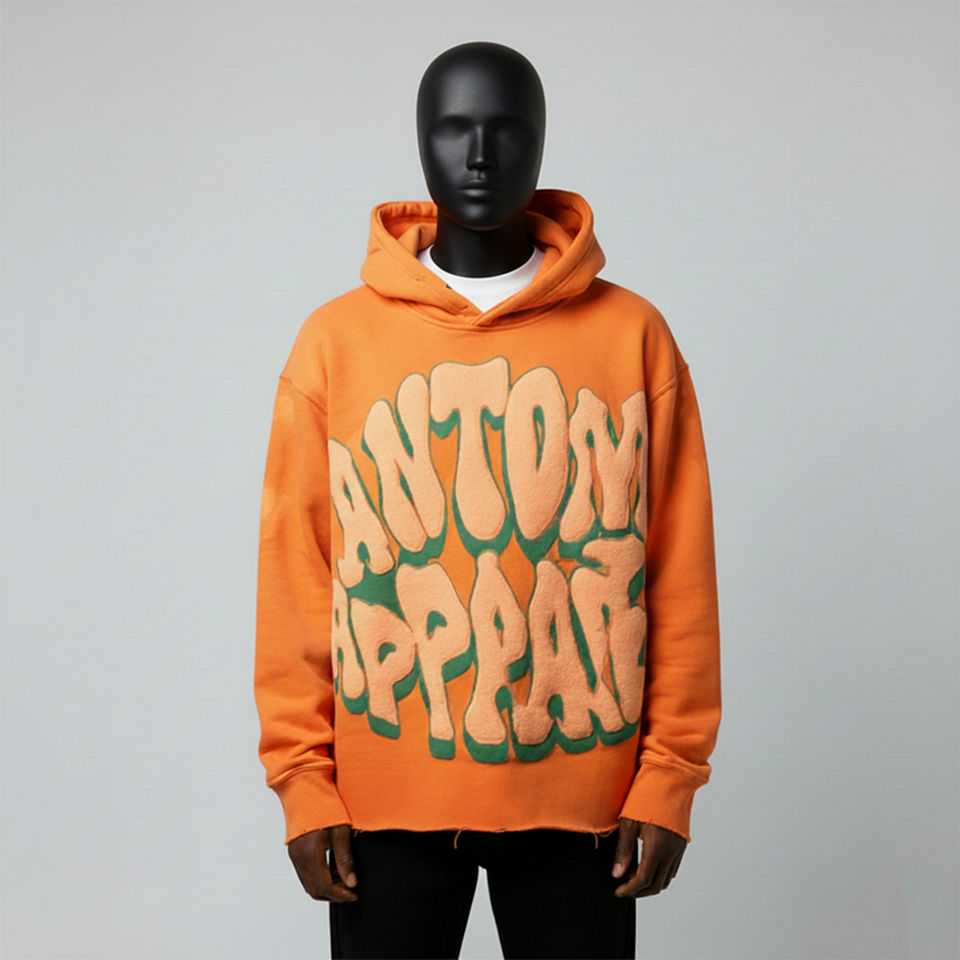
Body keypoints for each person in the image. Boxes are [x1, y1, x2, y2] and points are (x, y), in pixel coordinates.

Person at [254, 40, 722, 960]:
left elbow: (678, 569)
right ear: (419, 142)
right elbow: (298, 576)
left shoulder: (632, 335)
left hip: (584, 802)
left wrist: (668, 778)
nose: (478, 155)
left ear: (542, 142)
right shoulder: (335, 343)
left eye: (506, 130)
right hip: (383, 805)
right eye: (453, 129)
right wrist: (303, 782)